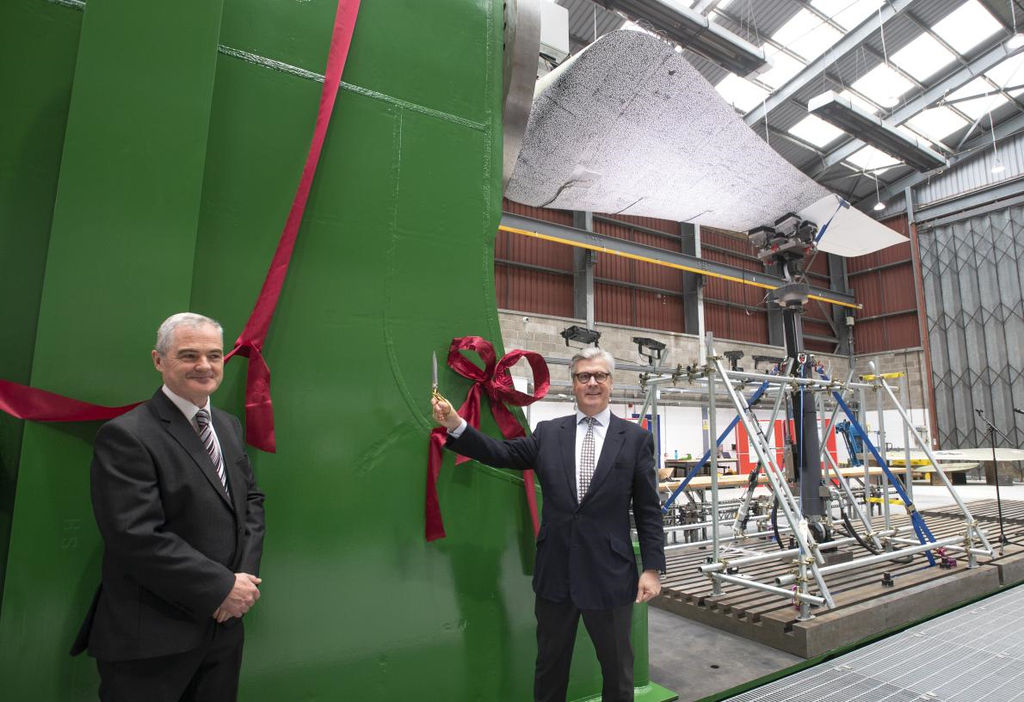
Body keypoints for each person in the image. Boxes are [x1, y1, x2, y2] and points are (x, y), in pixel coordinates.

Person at [432, 346, 664, 702]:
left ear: (611, 383)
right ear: (572, 384)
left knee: (617, 670)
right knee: (550, 666)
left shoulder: (634, 440)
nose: (591, 383)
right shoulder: (548, 432)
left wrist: (652, 569)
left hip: (610, 575)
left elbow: (648, 510)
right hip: (556, 573)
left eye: (599, 375)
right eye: (583, 376)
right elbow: (503, 453)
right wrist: (455, 425)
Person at [71, 313, 266, 702]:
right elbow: (135, 535)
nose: (204, 366)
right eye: (188, 355)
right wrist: (220, 587)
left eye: (213, 355)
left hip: (223, 630)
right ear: (159, 361)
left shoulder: (227, 426)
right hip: (153, 638)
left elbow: (250, 502)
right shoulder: (127, 435)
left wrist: (242, 581)